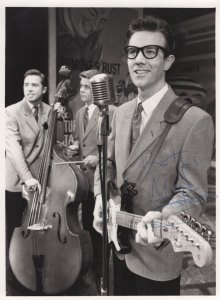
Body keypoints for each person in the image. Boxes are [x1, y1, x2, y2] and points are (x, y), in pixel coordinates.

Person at [93, 15, 214, 295]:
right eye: (133, 51)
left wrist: (163, 218)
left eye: (150, 51)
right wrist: (101, 196)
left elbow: (193, 193)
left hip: (157, 255)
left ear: (167, 61)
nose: (139, 59)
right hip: (117, 246)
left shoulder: (194, 120)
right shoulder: (120, 112)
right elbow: (109, 164)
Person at [5, 69, 62, 295]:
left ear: (44, 89)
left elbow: (53, 147)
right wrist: (28, 179)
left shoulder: (49, 111)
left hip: (42, 178)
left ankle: (40, 272)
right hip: (18, 179)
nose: (29, 89)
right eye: (26, 84)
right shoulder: (10, 112)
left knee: (42, 228)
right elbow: (13, 149)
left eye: (35, 85)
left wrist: (59, 117)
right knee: (14, 230)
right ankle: (12, 278)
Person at [69, 69, 117, 290]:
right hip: (84, 182)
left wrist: (96, 159)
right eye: (81, 87)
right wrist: (74, 148)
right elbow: (80, 141)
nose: (83, 91)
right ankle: (91, 266)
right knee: (87, 226)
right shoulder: (79, 113)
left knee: (103, 230)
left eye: (87, 87)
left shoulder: (112, 112)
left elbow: (114, 151)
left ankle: (102, 274)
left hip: (103, 182)